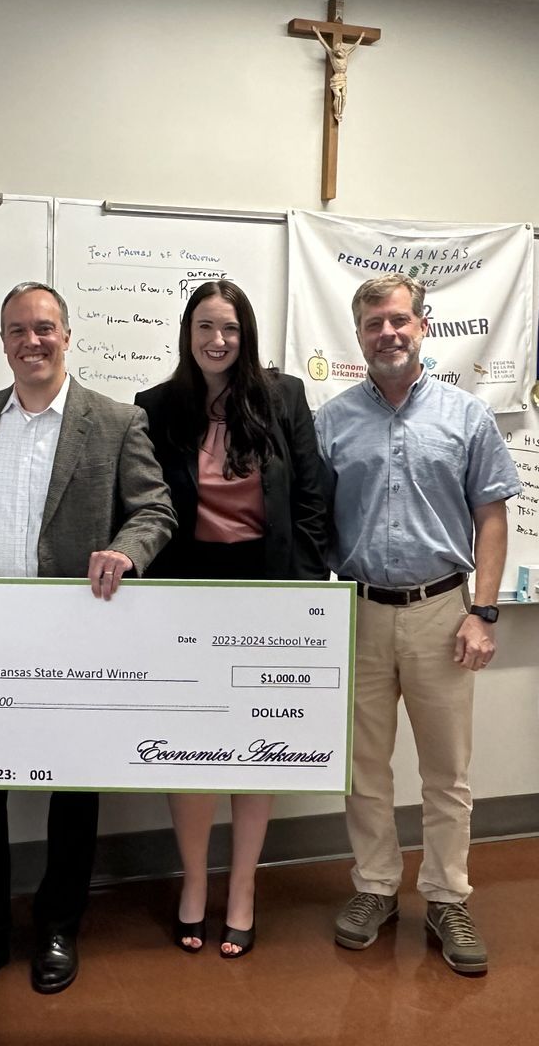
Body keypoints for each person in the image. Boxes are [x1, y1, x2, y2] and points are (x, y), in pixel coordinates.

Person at [0, 281, 175, 1010]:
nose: (30, 341)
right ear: (2, 341)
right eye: (16, 330)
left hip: (78, 636)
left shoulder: (115, 420)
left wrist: (127, 551)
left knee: (74, 787)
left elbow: (156, 508)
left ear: (67, 336)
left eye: (43, 328)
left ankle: (59, 926)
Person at [313, 273, 520, 976]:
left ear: (422, 326)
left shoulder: (467, 417)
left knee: (446, 773)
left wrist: (482, 613)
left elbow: (492, 518)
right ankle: (374, 887)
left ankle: (445, 894)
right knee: (363, 769)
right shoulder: (332, 421)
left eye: (399, 321)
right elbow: (313, 523)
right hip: (360, 611)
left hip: (442, 612)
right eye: (374, 325)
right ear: (360, 335)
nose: (388, 334)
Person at [133, 280, 330, 958]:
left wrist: (304, 596)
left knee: (256, 749)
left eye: (231, 329)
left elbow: (311, 498)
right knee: (190, 752)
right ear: (187, 335)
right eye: (205, 328)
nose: (218, 340)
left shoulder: (283, 399)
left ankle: (242, 888)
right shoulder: (155, 408)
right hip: (186, 600)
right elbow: (148, 506)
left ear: (245, 335)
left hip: (268, 597)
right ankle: (194, 882)